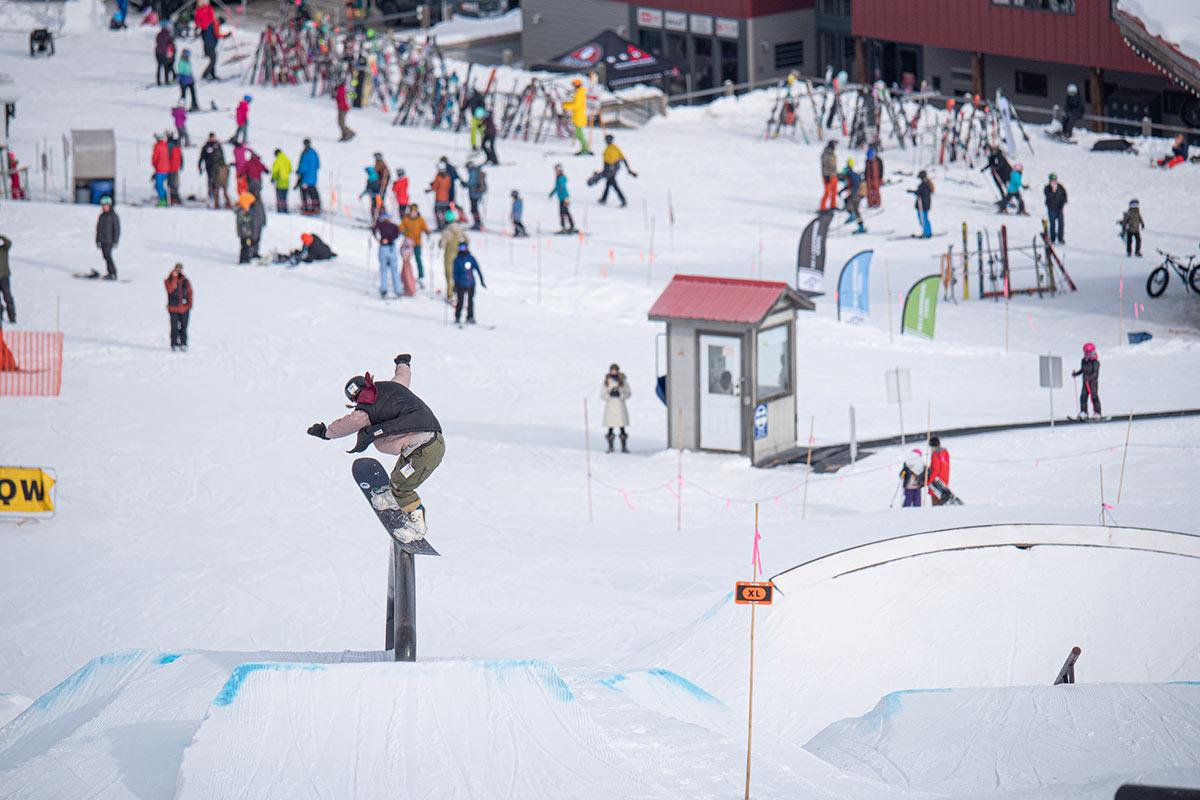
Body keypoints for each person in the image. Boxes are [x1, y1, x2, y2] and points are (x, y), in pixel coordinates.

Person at [306, 353, 444, 543]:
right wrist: (403, 363)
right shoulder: (390, 388)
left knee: (403, 486)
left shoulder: (365, 410)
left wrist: (325, 432)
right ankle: (394, 496)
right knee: (399, 473)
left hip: (427, 451)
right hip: (426, 441)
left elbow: (347, 424)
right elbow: (402, 377)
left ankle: (417, 525)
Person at [451, 241, 486, 324]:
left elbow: (477, 268)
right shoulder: (457, 260)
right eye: (460, 248)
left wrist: (481, 279)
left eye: (463, 247)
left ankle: (470, 317)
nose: (462, 249)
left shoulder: (470, 258)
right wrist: (455, 283)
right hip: (460, 284)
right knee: (460, 301)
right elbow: (455, 272)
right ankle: (457, 316)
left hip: (471, 283)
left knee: (470, 301)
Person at [599, 134, 636, 207]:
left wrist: (605, 172)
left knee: (613, 184)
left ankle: (623, 200)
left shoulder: (607, 150)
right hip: (615, 169)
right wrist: (628, 169)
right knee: (608, 183)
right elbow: (623, 159)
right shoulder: (616, 148)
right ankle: (604, 198)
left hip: (610, 170)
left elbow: (606, 162)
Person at [601, 363, 631, 453]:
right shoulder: (607, 381)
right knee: (610, 427)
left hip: (620, 406)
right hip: (610, 406)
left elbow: (628, 392)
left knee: (622, 427)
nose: (613, 372)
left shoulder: (623, 381)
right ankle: (610, 446)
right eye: (612, 370)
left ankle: (624, 446)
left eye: (615, 370)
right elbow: (602, 394)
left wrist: (620, 394)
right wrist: (610, 395)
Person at [164, 262, 192, 351]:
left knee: (184, 327)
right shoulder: (169, 280)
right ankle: (174, 344)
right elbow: (170, 289)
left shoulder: (185, 281)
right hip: (174, 308)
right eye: (177, 268)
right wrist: (174, 278)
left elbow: (190, 292)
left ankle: (183, 343)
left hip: (184, 308)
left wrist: (190, 304)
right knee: (174, 327)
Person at [440, 209, 468, 299]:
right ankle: (459, 291)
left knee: (449, 274)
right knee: (459, 273)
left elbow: (442, 245)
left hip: (449, 255)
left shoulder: (447, 231)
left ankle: (450, 293)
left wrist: (440, 242)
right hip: (459, 255)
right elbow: (467, 240)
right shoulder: (460, 229)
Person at [198, 132, 230, 209]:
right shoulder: (206, 146)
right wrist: (199, 166)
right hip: (209, 167)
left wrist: (223, 165)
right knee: (210, 181)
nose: (212, 139)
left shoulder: (217, 145)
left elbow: (222, 156)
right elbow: (202, 156)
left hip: (218, 167)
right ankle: (211, 195)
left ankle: (219, 198)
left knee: (218, 182)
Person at [373, 211, 401, 298]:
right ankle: (398, 290)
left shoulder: (380, 225)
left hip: (383, 248)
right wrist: (390, 239)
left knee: (383, 269)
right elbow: (398, 232)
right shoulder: (393, 226)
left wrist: (380, 240)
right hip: (392, 248)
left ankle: (384, 289)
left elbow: (374, 229)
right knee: (394, 270)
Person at [400, 204, 429, 285]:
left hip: (417, 243)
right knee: (406, 259)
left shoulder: (420, 220)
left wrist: (427, 232)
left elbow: (425, 228)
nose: (413, 213)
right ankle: (406, 275)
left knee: (418, 259)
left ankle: (421, 276)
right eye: (412, 212)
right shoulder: (406, 219)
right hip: (408, 243)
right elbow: (401, 227)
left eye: (414, 212)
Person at [1072, 342, 1101, 419]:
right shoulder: (1084, 361)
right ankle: (1084, 412)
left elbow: (1095, 373)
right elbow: (1083, 370)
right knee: (1083, 397)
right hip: (1085, 382)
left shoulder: (1095, 362)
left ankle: (1097, 413)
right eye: (1084, 352)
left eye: (1086, 352)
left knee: (1094, 397)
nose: (1085, 354)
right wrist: (1076, 374)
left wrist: (1089, 377)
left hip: (1093, 383)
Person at [95, 196, 120, 279]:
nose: (104, 207)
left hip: (109, 240)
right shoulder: (102, 216)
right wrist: (97, 240)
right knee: (105, 256)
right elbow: (98, 229)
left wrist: (115, 240)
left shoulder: (113, 216)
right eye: (103, 205)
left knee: (108, 256)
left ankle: (113, 272)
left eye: (105, 205)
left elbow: (116, 229)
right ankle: (109, 272)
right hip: (102, 240)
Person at [234, 191, 263, 263]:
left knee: (247, 245)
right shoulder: (242, 212)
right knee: (245, 246)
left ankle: (246, 257)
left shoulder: (244, 211)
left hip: (246, 232)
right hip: (244, 233)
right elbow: (244, 222)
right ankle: (243, 259)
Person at [564, 78, 590, 155]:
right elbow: (575, 103)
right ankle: (585, 148)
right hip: (578, 116)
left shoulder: (579, 94)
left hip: (579, 117)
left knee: (579, 134)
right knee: (579, 134)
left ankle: (585, 149)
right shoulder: (580, 93)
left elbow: (576, 105)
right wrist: (567, 103)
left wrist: (566, 106)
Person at [840, 159, 865, 234]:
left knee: (848, 202)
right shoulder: (854, 174)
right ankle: (861, 227)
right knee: (856, 210)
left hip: (855, 194)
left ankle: (852, 215)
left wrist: (852, 192)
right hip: (859, 194)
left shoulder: (849, 173)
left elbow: (850, 184)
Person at [296, 138, 320, 215]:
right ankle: (315, 207)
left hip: (305, 178)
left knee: (304, 193)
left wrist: (299, 171)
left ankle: (306, 208)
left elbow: (303, 167)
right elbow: (318, 165)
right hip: (313, 178)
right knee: (313, 193)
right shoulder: (314, 153)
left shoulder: (305, 154)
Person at [549, 163, 575, 234]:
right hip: (562, 198)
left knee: (564, 212)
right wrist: (552, 193)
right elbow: (557, 187)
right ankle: (567, 226)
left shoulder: (561, 178)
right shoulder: (559, 178)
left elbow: (561, 187)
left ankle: (569, 226)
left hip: (564, 198)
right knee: (563, 212)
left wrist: (561, 192)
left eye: (557, 170)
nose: (556, 172)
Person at [907, 170, 933, 238]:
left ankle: (927, 233)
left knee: (923, 219)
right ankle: (926, 232)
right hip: (923, 205)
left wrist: (913, 191)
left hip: (923, 205)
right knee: (923, 219)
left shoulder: (925, 185)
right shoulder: (925, 184)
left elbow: (920, 192)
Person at [427, 163, 452, 230]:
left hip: (439, 198)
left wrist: (430, 189)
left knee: (437, 212)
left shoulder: (438, 177)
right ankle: (446, 224)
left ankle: (440, 226)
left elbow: (435, 187)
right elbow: (448, 186)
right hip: (446, 197)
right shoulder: (448, 177)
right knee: (444, 212)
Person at [1044, 173, 1067, 244]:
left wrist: (1062, 205)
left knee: (1061, 224)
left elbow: (1064, 196)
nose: (1054, 181)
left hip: (1059, 209)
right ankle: (1053, 238)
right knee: (1052, 224)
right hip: (1051, 209)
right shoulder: (1047, 188)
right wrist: (1053, 191)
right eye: (1052, 180)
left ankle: (1060, 238)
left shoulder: (1060, 187)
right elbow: (1048, 197)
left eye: (1055, 179)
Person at [927, 437, 949, 506]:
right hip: (944, 481)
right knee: (941, 504)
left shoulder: (936, 455)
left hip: (936, 483)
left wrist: (929, 481)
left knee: (936, 505)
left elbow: (935, 470)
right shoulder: (944, 453)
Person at [465, 160, 486, 231]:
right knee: (475, 208)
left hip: (474, 193)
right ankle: (477, 223)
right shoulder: (476, 171)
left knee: (473, 209)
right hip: (478, 194)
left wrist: (464, 184)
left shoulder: (473, 173)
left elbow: (471, 183)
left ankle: (477, 223)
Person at [151, 134, 170, 207]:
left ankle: (163, 200)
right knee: (161, 185)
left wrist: (155, 165)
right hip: (166, 169)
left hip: (160, 169)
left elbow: (154, 159)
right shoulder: (166, 146)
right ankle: (165, 198)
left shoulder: (157, 147)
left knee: (159, 185)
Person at [166, 132, 184, 206]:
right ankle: (176, 198)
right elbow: (181, 156)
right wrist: (181, 164)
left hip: (170, 167)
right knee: (175, 183)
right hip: (176, 167)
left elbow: (168, 156)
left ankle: (174, 198)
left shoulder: (169, 145)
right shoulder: (177, 145)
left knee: (171, 184)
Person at [819, 140, 838, 211]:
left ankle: (833, 205)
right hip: (828, 176)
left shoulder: (832, 153)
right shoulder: (826, 153)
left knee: (834, 192)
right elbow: (825, 165)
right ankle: (822, 207)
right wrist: (826, 175)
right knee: (827, 192)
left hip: (834, 175)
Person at [0, 235, 15, 324]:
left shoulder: (4, 249)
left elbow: (9, 243)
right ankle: (0, 317)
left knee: (8, 297)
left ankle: (12, 317)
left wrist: (1, 237)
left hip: (4, 278)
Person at [271, 148, 291, 213]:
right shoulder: (287, 160)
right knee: (284, 197)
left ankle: (280, 209)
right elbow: (290, 170)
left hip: (279, 182)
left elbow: (275, 171)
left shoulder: (277, 161)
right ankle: (285, 209)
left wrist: (273, 178)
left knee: (279, 197)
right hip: (286, 182)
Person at [155, 21, 175, 85]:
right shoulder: (168, 35)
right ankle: (166, 80)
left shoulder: (159, 34)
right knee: (165, 67)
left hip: (157, 52)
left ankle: (158, 80)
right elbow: (171, 44)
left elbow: (157, 41)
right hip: (164, 52)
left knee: (159, 66)